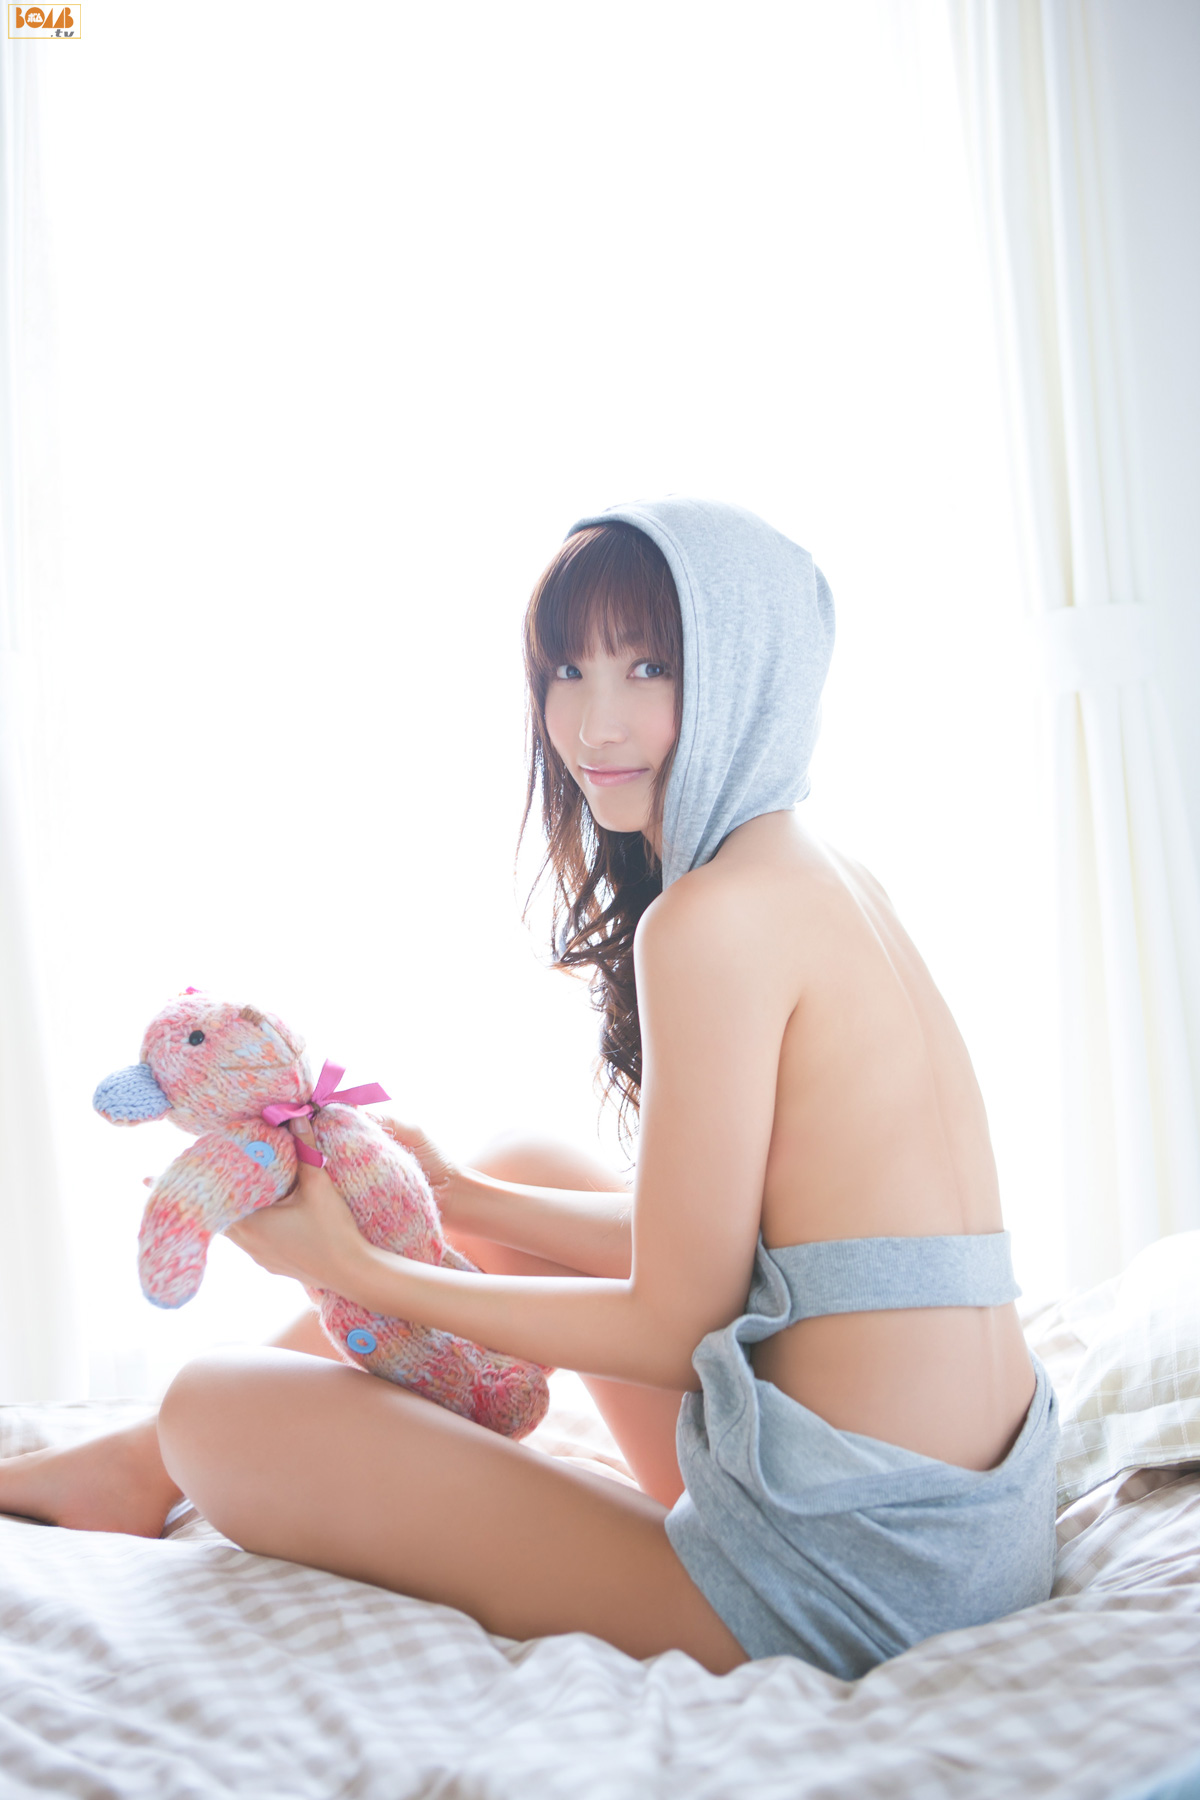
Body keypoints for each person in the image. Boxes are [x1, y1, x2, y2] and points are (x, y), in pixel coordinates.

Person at [0, 497, 1058, 1679]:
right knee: (511, 1171)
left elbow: (675, 1326)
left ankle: (150, 1455)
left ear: (750, 674)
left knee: (214, 1408)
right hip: (975, 1527)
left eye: (649, 666)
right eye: (567, 670)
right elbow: (760, 1251)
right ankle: (131, 1467)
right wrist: (461, 1199)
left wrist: (358, 1269)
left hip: (852, 1580)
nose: (593, 723)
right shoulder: (821, 876)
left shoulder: (710, 924)